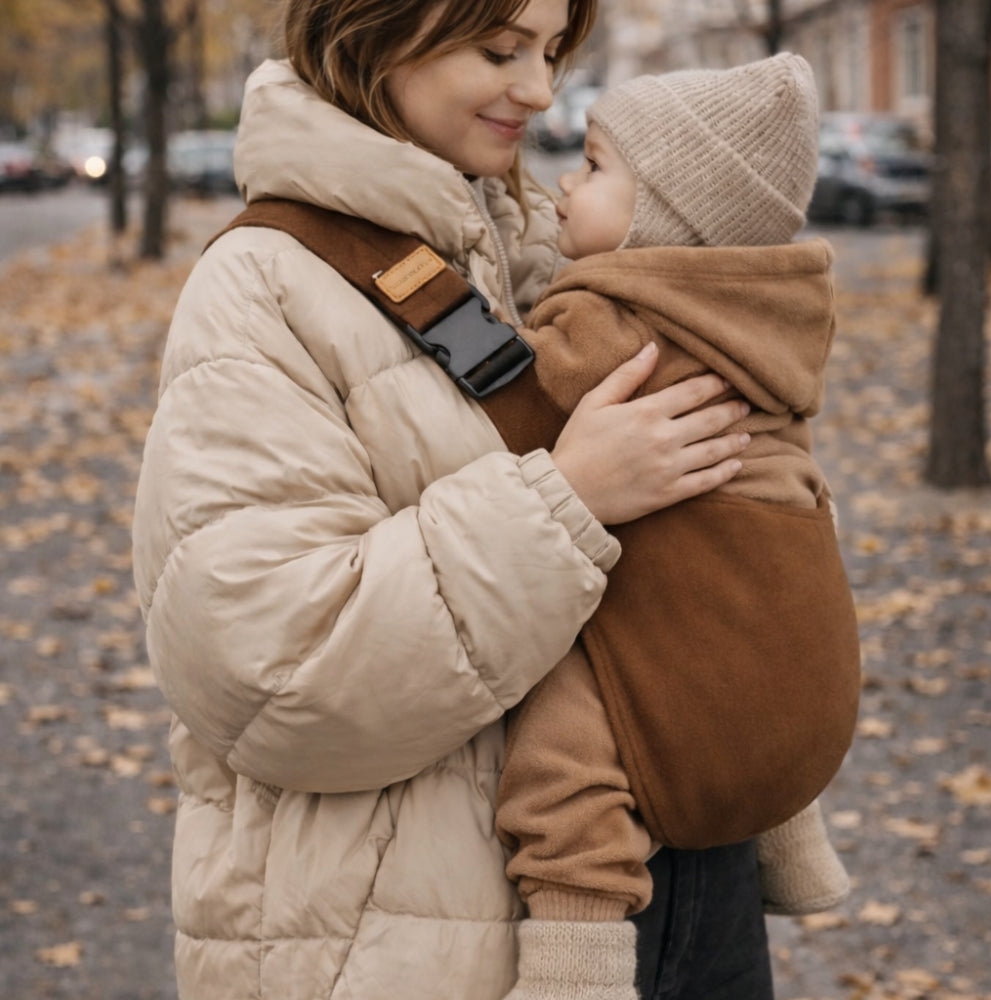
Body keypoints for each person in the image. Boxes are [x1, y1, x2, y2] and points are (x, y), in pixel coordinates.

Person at [130, 1, 762, 999]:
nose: (541, 90)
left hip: (668, 893)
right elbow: (272, 672)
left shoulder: (536, 251)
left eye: (552, 52)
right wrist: (569, 498)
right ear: (375, 30)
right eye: (499, 49)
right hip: (409, 942)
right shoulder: (260, 287)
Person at [491, 56, 859, 1000]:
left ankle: (575, 963)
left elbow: (513, 410)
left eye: (597, 165)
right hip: (777, 580)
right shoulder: (763, 311)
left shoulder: (619, 318)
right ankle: (792, 845)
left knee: (569, 753)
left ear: (668, 221)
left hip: (678, 578)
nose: (568, 179)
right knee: (752, 688)